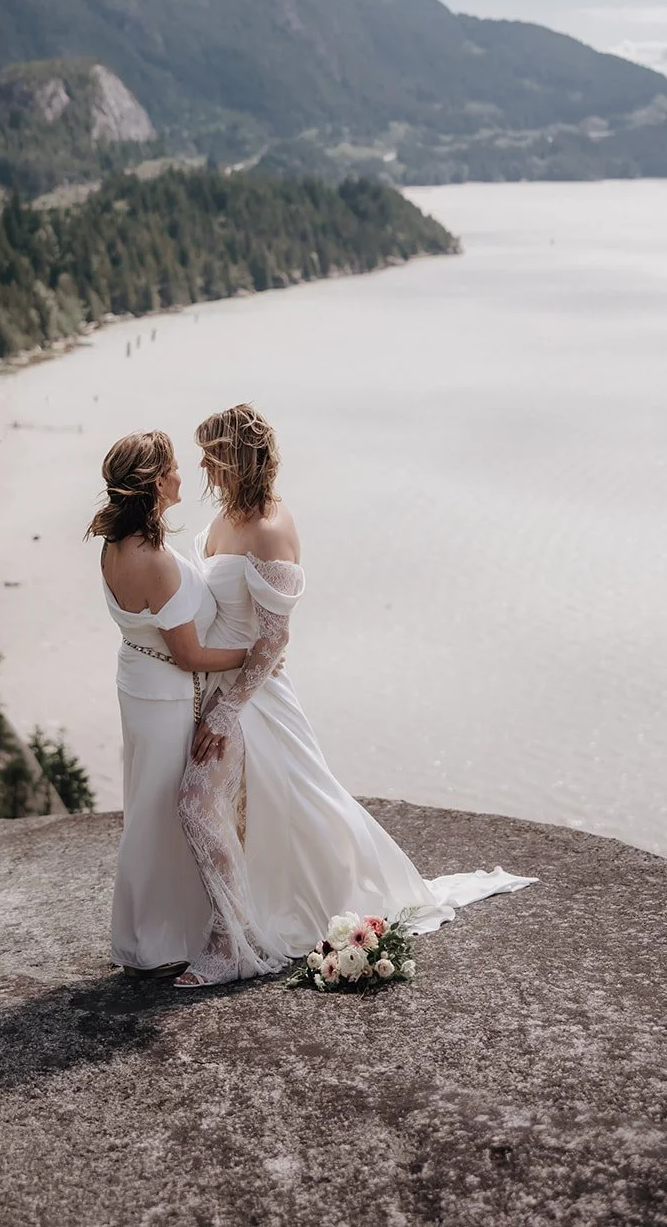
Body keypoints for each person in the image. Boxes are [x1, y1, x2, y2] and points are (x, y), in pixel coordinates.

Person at [174, 403, 535, 988]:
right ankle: (228, 921)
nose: (201, 468)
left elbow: (274, 639)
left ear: (232, 459)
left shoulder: (268, 528)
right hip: (213, 682)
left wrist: (228, 706)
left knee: (239, 804)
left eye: (209, 456)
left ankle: (231, 940)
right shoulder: (226, 515)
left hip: (251, 698)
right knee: (247, 814)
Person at [88, 430, 247, 978]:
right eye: (175, 468)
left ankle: (144, 933)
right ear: (157, 483)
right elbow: (189, 654)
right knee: (160, 813)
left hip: (137, 681)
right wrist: (255, 655)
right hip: (163, 695)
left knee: (145, 807)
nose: (183, 476)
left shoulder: (117, 542)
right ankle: (158, 941)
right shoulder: (152, 558)